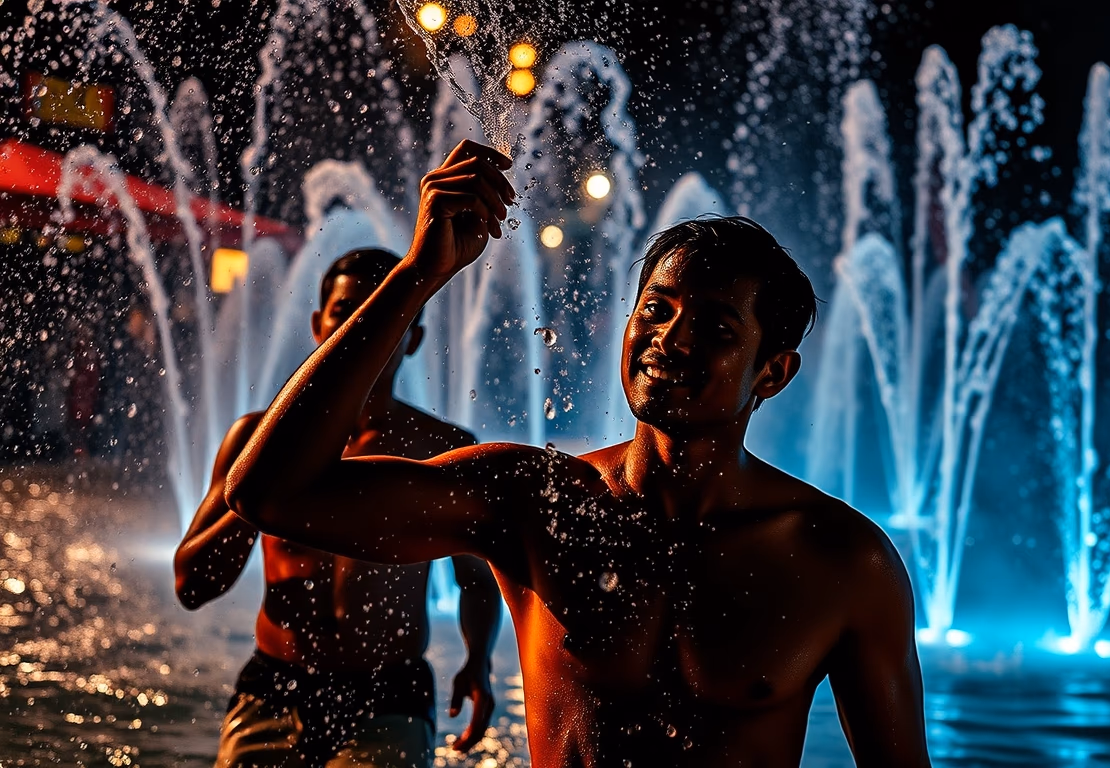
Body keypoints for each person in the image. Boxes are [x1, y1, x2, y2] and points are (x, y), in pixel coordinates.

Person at [225, 140, 931, 767]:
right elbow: (269, 494)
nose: (671, 340)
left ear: (772, 372)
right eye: (656, 309)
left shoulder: (840, 561)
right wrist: (417, 274)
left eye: (716, 327)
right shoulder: (536, 501)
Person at [174, 248, 503, 767]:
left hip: (389, 691)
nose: (360, 329)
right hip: (274, 685)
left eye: (380, 313)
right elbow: (191, 586)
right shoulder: (254, 441)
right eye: (345, 311)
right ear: (316, 324)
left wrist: (479, 660)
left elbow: (477, 578)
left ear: (410, 338)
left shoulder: (440, 450)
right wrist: (261, 487)